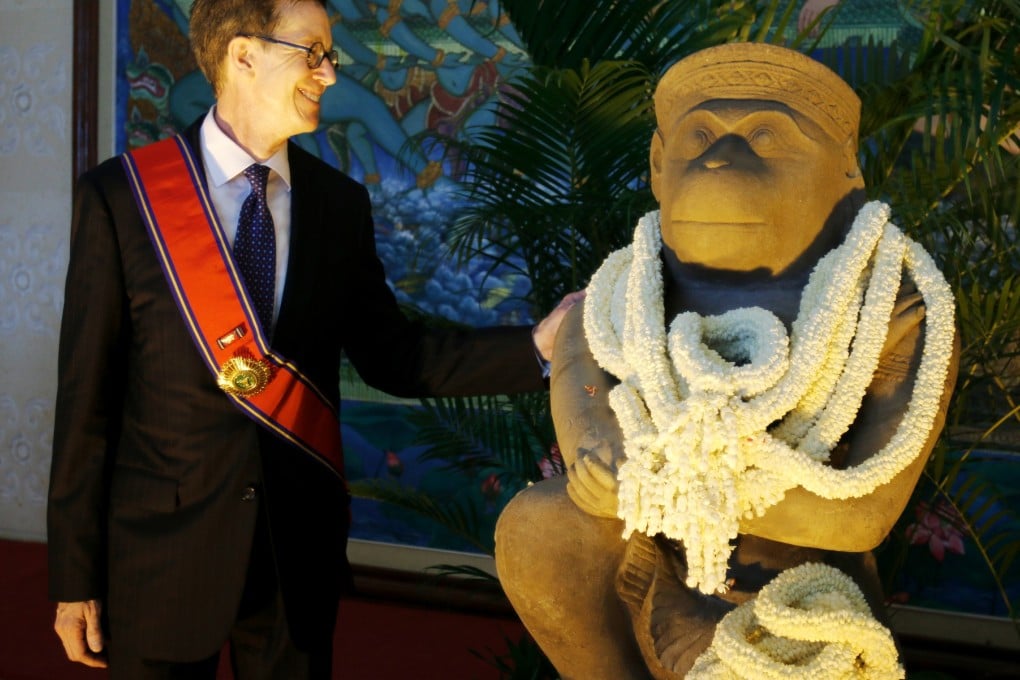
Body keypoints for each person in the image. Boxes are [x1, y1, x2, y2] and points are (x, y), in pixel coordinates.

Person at [47, 1, 580, 677]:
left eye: (331, 56)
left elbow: (399, 357)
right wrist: (72, 576)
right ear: (243, 54)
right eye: (314, 52)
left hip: (295, 551)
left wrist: (538, 344)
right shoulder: (121, 199)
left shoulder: (337, 205)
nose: (330, 74)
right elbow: (85, 401)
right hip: (159, 554)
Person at [494, 42, 958, 679]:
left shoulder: (889, 308)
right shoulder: (618, 300)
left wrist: (666, 482)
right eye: (701, 134)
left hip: (801, 603)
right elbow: (592, 445)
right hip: (648, 578)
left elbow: (861, 516)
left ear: (846, 171)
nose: (721, 155)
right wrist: (611, 470)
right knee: (540, 524)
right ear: (660, 165)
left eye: (765, 135)